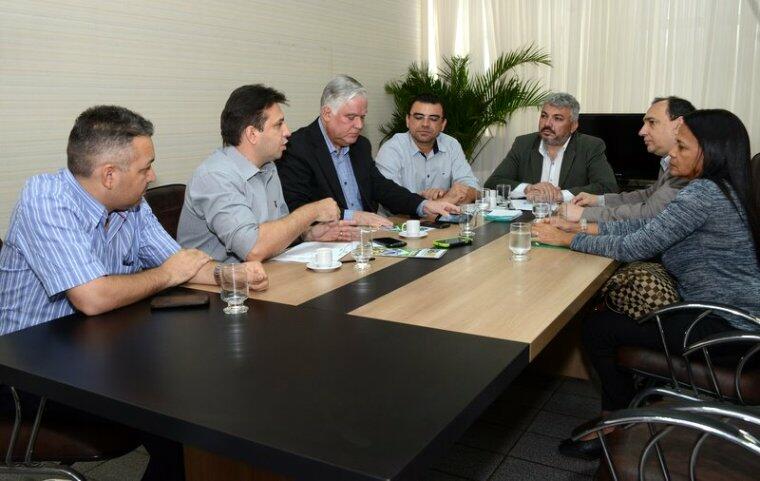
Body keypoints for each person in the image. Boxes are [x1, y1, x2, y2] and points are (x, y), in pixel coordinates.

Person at [0, 105, 267, 480]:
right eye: (145, 168)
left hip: (96, 349)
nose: (153, 176)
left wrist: (232, 275)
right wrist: (166, 274)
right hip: (26, 373)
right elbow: (92, 298)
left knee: (205, 398)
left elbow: (181, 263)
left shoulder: (131, 204)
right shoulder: (44, 199)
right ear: (109, 175)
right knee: (185, 414)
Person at [533, 109, 760, 459]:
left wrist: (567, 240)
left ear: (709, 153)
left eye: (682, 147)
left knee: (599, 327)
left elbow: (635, 245)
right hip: (734, 322)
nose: (673, 154)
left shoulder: (702, 195)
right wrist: (579, 229)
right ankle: (634, 404)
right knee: (609, 315)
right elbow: (645, 229)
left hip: (724, 331)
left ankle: (614, 424)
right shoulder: (721, 190)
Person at [178, 85, 352, 262]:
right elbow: (253, 248)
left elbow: (279, 229)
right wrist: (312, 212)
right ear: (252, 134)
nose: (287, 132)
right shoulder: (215, 177)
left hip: (262, 276)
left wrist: (308, 234)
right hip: (215, 286)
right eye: (278, 125)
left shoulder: (268, 166)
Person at [277, 75, 459, 227]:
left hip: (369, 238)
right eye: (351, 117)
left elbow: (382, 187)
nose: (359, 125)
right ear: (326, 114)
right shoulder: (297, 148)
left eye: (362, 117)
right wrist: (354, 216)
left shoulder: (360, 145)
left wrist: (423, 205)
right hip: (326, 246)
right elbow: (298, 209)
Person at [564, 96, 695, 222]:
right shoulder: (668, 162)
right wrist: (598, 200)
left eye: (652, 122)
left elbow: (649, 214)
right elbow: (648, 195)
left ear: (679, 125)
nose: (642, 131)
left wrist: (583, 213)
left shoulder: (689, 167)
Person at [484, 92, 618, 202]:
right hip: (527, 218)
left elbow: (608, 187)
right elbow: (492, 183)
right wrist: (528, 189)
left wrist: (560, 195)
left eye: (557, 118)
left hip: (569, 219)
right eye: (544, 116)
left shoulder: (590, 146)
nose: (547, 123)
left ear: (573, 126)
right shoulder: (524, 143)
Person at [375, 93, 478, 205]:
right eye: (419, 117)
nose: (425, 124)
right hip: (399, 221)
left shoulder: (451, 145)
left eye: (433, 119)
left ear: (443, 124)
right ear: (408, 120)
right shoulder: (392, 149)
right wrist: (440, 201)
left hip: (442, 220)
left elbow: (473, 189)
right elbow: (391, 199)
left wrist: (447, 195)